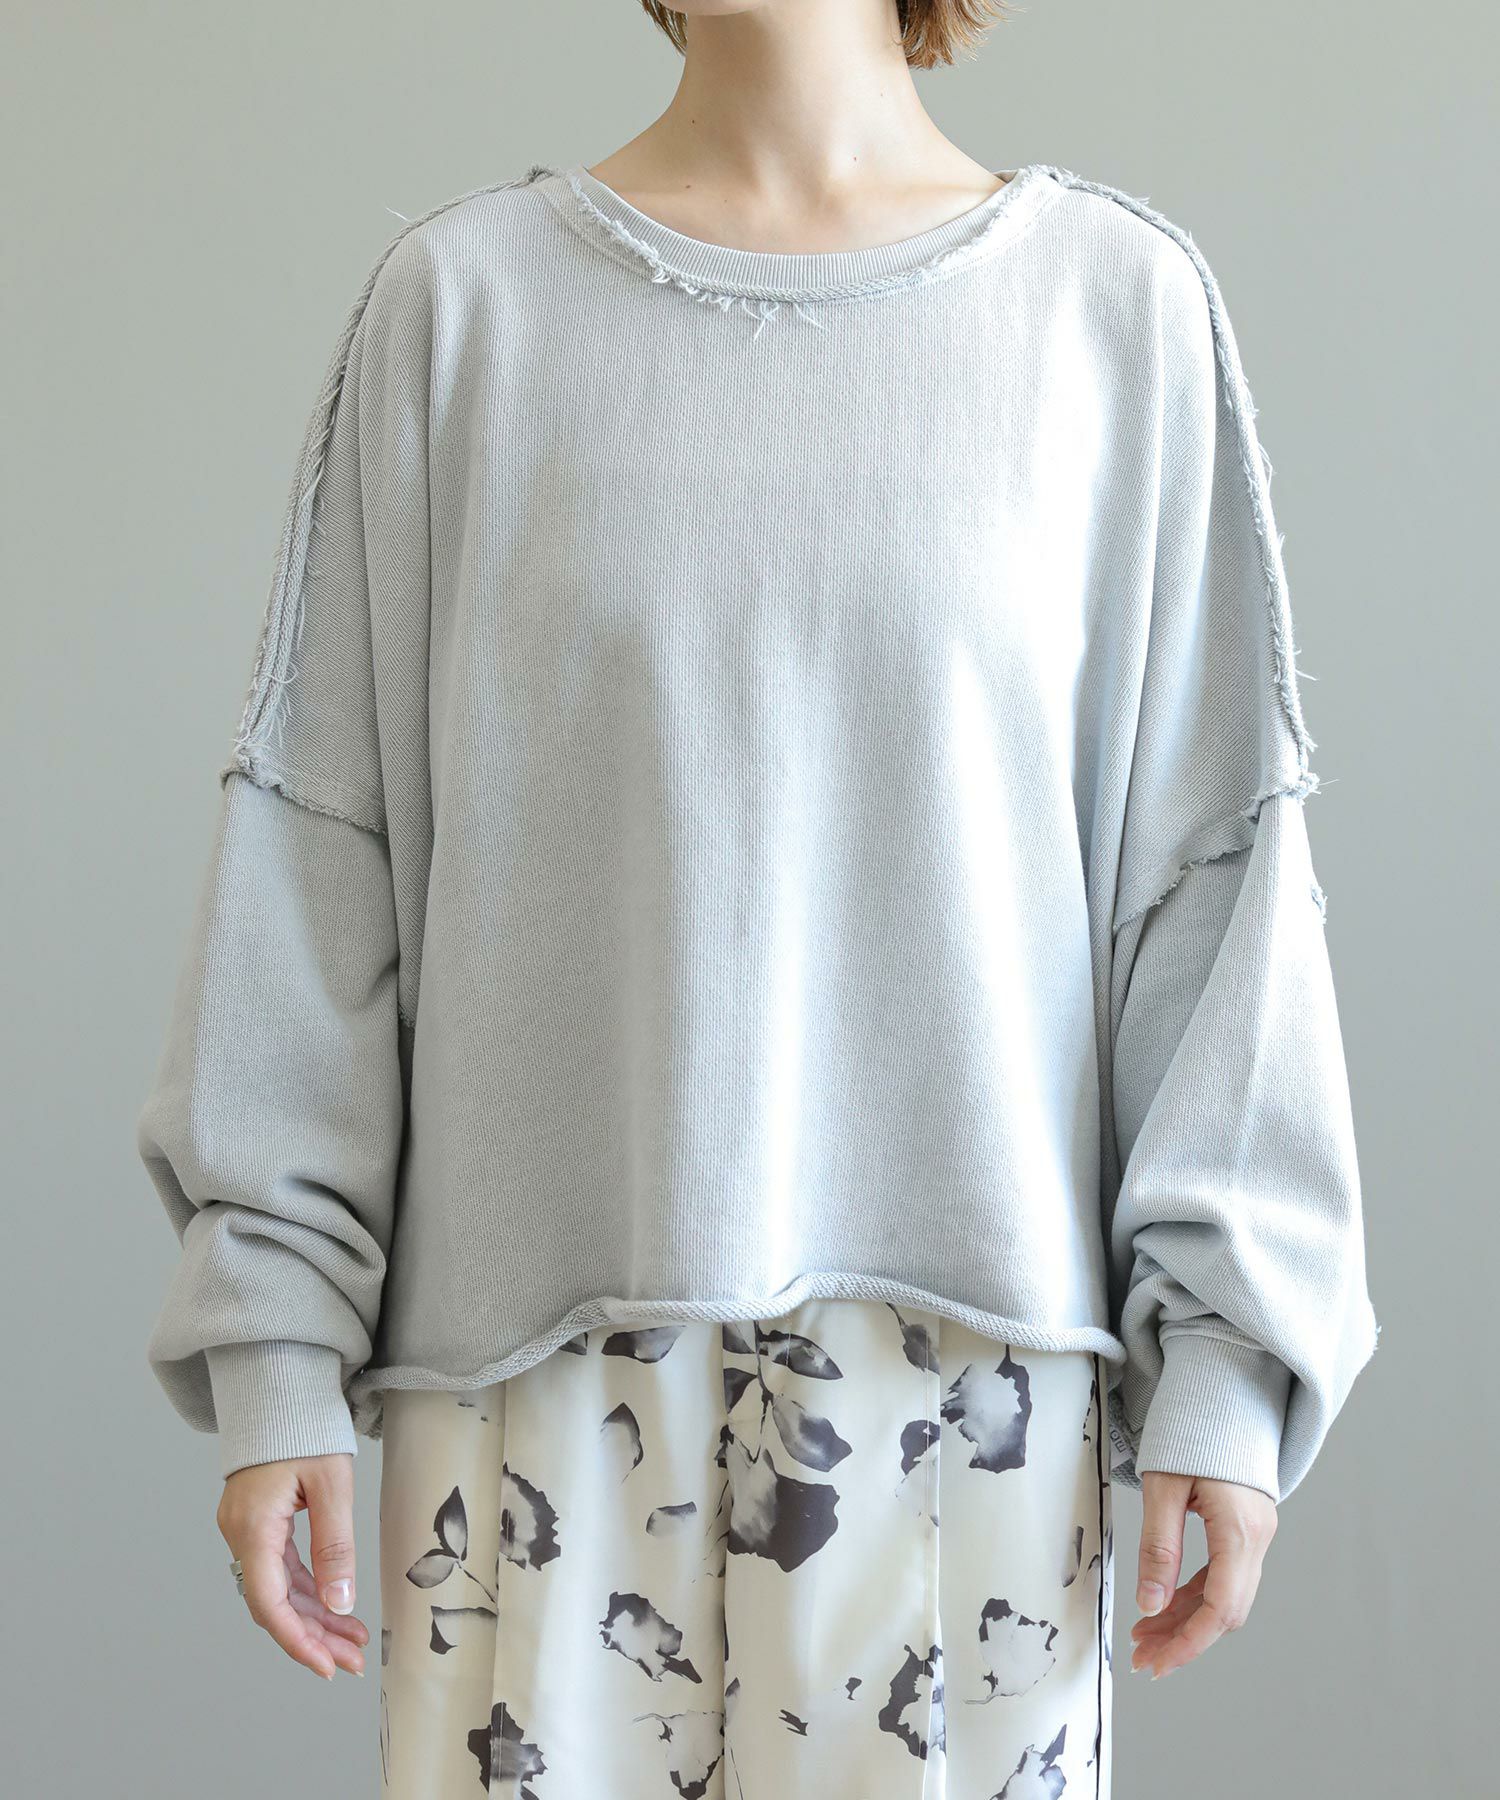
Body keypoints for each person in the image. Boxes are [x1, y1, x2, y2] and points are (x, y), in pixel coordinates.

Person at [134, 1, 1380, 1792]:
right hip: (527, 1395)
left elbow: (1212, 879)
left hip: (973, 1408)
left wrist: (1229, 1369)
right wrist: (271, 1345)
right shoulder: (462, 312)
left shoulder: (1114, 313)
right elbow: (326, 856)